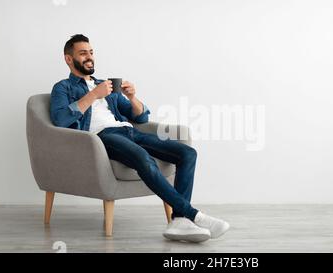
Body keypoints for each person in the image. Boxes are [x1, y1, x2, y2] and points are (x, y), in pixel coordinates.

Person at [50, 34, 229, 243]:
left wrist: (132, 97)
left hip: (129, 131)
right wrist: (93, 95)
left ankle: (179, 220)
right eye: (83, 53)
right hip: (102, 137)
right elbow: (61, 119)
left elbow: (141, 117)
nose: (89, 57)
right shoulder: (63, 88)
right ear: (69, 59)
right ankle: (195, 215)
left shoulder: (106, 86)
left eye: (91, 52)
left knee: (187, 153)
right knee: (143, 158)